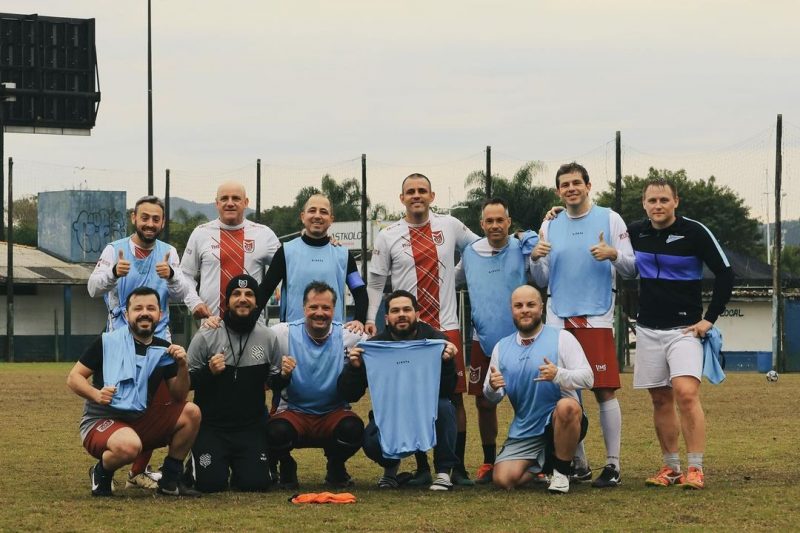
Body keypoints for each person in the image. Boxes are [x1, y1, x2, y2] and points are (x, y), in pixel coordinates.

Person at [366, 173, 479, 485]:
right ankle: (421, 467)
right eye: (410, 192)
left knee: (454, 399)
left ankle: (456, 467)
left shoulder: (451, 225)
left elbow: (477, 248)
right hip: (407, 331)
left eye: (422, 191)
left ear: (432, 195)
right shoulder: (388, 235)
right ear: (401, 198)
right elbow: (376, 281)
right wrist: (369, 318)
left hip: (447, 326)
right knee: (408, 396)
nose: (416, 196)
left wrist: (455, 277)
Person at [530, 162, 635, 488]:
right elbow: (542, 279)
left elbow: (632, 268)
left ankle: (613, 465)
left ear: (588, 185)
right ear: (558, 190)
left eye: (577, 182)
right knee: (565, 390)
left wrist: (612, 254)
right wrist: (534, 258)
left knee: (604, 390)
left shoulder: (610, 218)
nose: (571, 188)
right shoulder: (550, 224)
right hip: (559, 317)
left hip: (596, 316)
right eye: (565, 184)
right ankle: (578, 462)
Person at [629, 177, 733, 490]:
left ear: (676, 201)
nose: (657, 206)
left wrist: (709, 319)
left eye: (663, 200)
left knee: (686, 394)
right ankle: (671, 468)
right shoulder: (635, 231)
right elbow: (596, 229)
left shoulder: (695, 232)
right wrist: (553, 217)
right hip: (647, 329)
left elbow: (726, 272)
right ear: (644, 204)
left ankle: (695, 469)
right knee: (660, 400)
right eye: (652, 201)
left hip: (685, 330)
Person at [87, 194, 194, 489]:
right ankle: (112, 464)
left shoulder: (169, 251)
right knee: (125, 406)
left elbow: (184, 290)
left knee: (166, 404)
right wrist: (112, 273)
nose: (150, 224)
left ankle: (143, 471)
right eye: (144, 217)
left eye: (156, 219)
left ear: (162, 222)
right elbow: (92, 288)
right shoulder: (114, 250)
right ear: (134, 217)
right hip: (120, 346)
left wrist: (171, 275)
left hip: (159, 344)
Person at [66, 287, 201, 497]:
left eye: (151, 308)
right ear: (127, 314)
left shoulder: (165, 349)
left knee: (191, 412)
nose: (144, 313)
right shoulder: (107, 342)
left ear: (160, 314)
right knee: (129, 445)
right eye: (138, 308)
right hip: (102, 421)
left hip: (140, 420)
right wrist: (96, 394)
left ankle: (170, 481)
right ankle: (101, 472)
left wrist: (183, 365)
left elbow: (179, 396)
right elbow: (74, 377)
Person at [340, 290, 459, 491]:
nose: (401, 314)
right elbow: (350, 394)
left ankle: (443, 473)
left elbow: (447, 391)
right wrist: (354, 368)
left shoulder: (435, 340)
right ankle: (390, 471)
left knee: (445, 408)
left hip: (426, 410)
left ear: (417, 314)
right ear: (386, 318)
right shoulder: (375, 346)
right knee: (371, 441)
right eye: (395, 311)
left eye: (407, 309)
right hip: (392, 412)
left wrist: (447, 364)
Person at [455, 197, 538, 484]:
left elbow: (541, 272)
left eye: (499, 220)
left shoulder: (522, 247)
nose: (494, 226)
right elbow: (452, 280)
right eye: (489, 221)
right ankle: (489, 461)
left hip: (522, 339)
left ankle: (536, 458)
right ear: (481, 224)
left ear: (508, 221)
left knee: (527, 400)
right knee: (483, 402)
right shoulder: (469, 253)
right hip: (482, 340)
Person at [484, 285, 593, 494]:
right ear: (512, 310)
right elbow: (492, 398)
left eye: (531, 304)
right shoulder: (501, 347)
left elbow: (589, 379)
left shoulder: (562, 338)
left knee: (567, 406)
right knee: (503, 479)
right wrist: (491, 386)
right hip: (526, 429)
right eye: (519, 305)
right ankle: (549, 462)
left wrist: (559, 374)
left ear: (541, 308)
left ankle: (561, 473)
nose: (525, 310)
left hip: (560, 420)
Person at [265, 281, 367, 488]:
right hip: (293, 411)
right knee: (272, 432)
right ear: (304, 308)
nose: (319, 313)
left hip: (333, 412)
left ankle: (336, 466)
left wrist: (368, 322)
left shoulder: (351, 336)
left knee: (354, 429)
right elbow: (253, 341)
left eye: (326, 308)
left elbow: (384, 345)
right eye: (313, 307)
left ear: (334, 310)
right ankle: (285, 464)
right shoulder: (281, 333)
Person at [187, 275, 282, 492]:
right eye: (236, 294)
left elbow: (274, 383)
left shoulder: (268, 338)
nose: (242, 299)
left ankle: (246, 466)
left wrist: (285, 375)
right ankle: (194, 464)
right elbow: (186, 384)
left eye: (249, 294)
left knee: (256, 484)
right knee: (210, 485)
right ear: (226, 301)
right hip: (212, 427)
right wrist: (208, 372)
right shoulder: (207, 335)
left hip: (250, 427)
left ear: (257, 302)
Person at [259, 193, 368, 329]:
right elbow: (264, 290)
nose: (317, 216)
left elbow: (360, 291)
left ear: (331, 219)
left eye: (323, 212)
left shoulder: (343, 255)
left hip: (332, 338)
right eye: (312, 211)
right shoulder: (286, 252)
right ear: (303, 216)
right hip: (293, 338)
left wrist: (360, 320)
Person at [181, 181, 281, 318]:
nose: (230, 203)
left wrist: (277, 291)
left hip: (252, 326)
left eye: (236, 198)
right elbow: (185, 274)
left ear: (246, 202)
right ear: (217, 203)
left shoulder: (264, 234)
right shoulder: (200, 233)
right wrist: (194, 303)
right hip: (212, 324)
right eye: (224, 199)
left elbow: (285, 269)